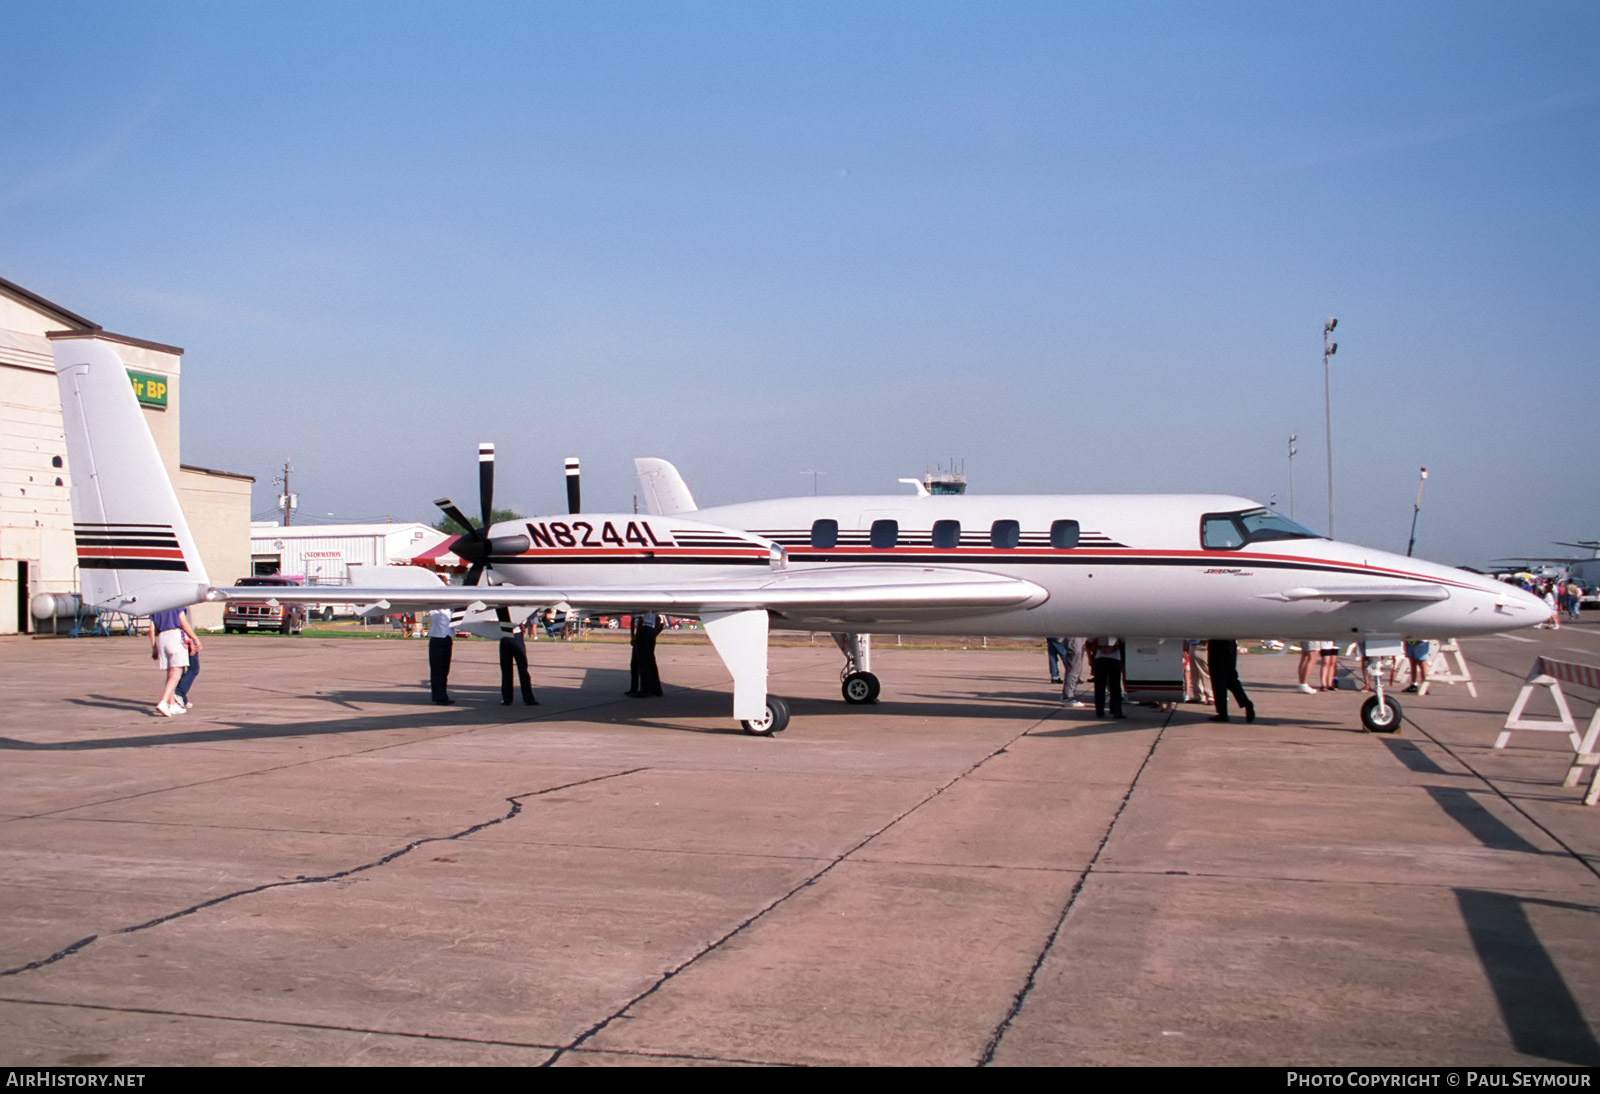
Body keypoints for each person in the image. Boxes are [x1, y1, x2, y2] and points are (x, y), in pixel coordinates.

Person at [147, 606, 200, 717]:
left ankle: (172, 704)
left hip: (162, 638)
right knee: (176, 674)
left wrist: (154, 647)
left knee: (170, 674)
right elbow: (184, 623)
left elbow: (151, 629)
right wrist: (195, 639)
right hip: (175, 636)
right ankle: (164, 702)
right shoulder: (177, 604)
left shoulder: (155, 607)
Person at [1207, 638, 1255, 723]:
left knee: (1218, 680)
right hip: (1229, 644)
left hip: (1217, 644)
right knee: (1231, 678)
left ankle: (1223, 712)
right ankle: (1245, 702)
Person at [499, 619, 538, 706]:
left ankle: (507, 697)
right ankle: (527, 698)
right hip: (513, 634)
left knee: (508, 668)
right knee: (521, 667)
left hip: (505, 633)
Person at [628, 611, 666, 697]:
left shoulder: (639, 606)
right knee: (650, 661)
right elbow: (658, 619)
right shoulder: (652, 607)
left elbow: (639, 619)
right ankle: (656, 689)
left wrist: (635, 636)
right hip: (649, 631)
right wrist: (654, 633)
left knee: (641, 663)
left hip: (642, 631)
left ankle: (644, 690)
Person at [1088, 636, 1125, 719]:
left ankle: (1100, 711)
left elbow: (1088, 642)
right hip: (1114, 659)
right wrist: (1115, 648)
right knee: (1115, 686)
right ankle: (1116, 710)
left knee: (1100, 686)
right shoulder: (1118, 631)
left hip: (1101, 658)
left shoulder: (1099, 630)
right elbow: (1124, 641)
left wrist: (1098, 649)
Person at [427, 607, 454, 704]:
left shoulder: (450, 610)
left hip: (447, 637)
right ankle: (439, 697)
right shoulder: (433, 610)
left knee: (445, 669)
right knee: (437, 669)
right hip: (436, 638)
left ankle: (443, 694)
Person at [174, 620, 201, 711]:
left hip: (170, 638)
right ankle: (179, 693)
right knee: (194, 668)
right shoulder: (181, 608)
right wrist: (193, 640)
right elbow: (183, 624)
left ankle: (182, 700)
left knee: (178, 668)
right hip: (184, 638)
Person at [1059, 637, 1088, 707]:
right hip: (1075, 638)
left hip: (1078, 637)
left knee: (1076, 669)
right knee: (1074, 669)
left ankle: (1068, 695)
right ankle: (1068, 697)